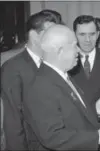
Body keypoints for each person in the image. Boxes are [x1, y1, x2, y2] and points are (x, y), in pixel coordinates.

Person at [23, 24, 100, 150]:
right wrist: (97, 138)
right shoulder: (40, 86)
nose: (79, 51)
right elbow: (52, 136)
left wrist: (95, 110)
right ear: (59, 51)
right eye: (74, 46)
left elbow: (69, 115)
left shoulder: (62, 75)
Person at [1, 10, 62, 150]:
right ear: (34, 36)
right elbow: (13, 120)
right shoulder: (13, 68)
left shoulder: (56, 62)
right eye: (51, 34)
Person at [69, 15, 100, 115]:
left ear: (98, 34)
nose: (87, 40)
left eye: (92, 34)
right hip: (76, 123)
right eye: (82, 34)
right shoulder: (65, 61)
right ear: (74, 35)